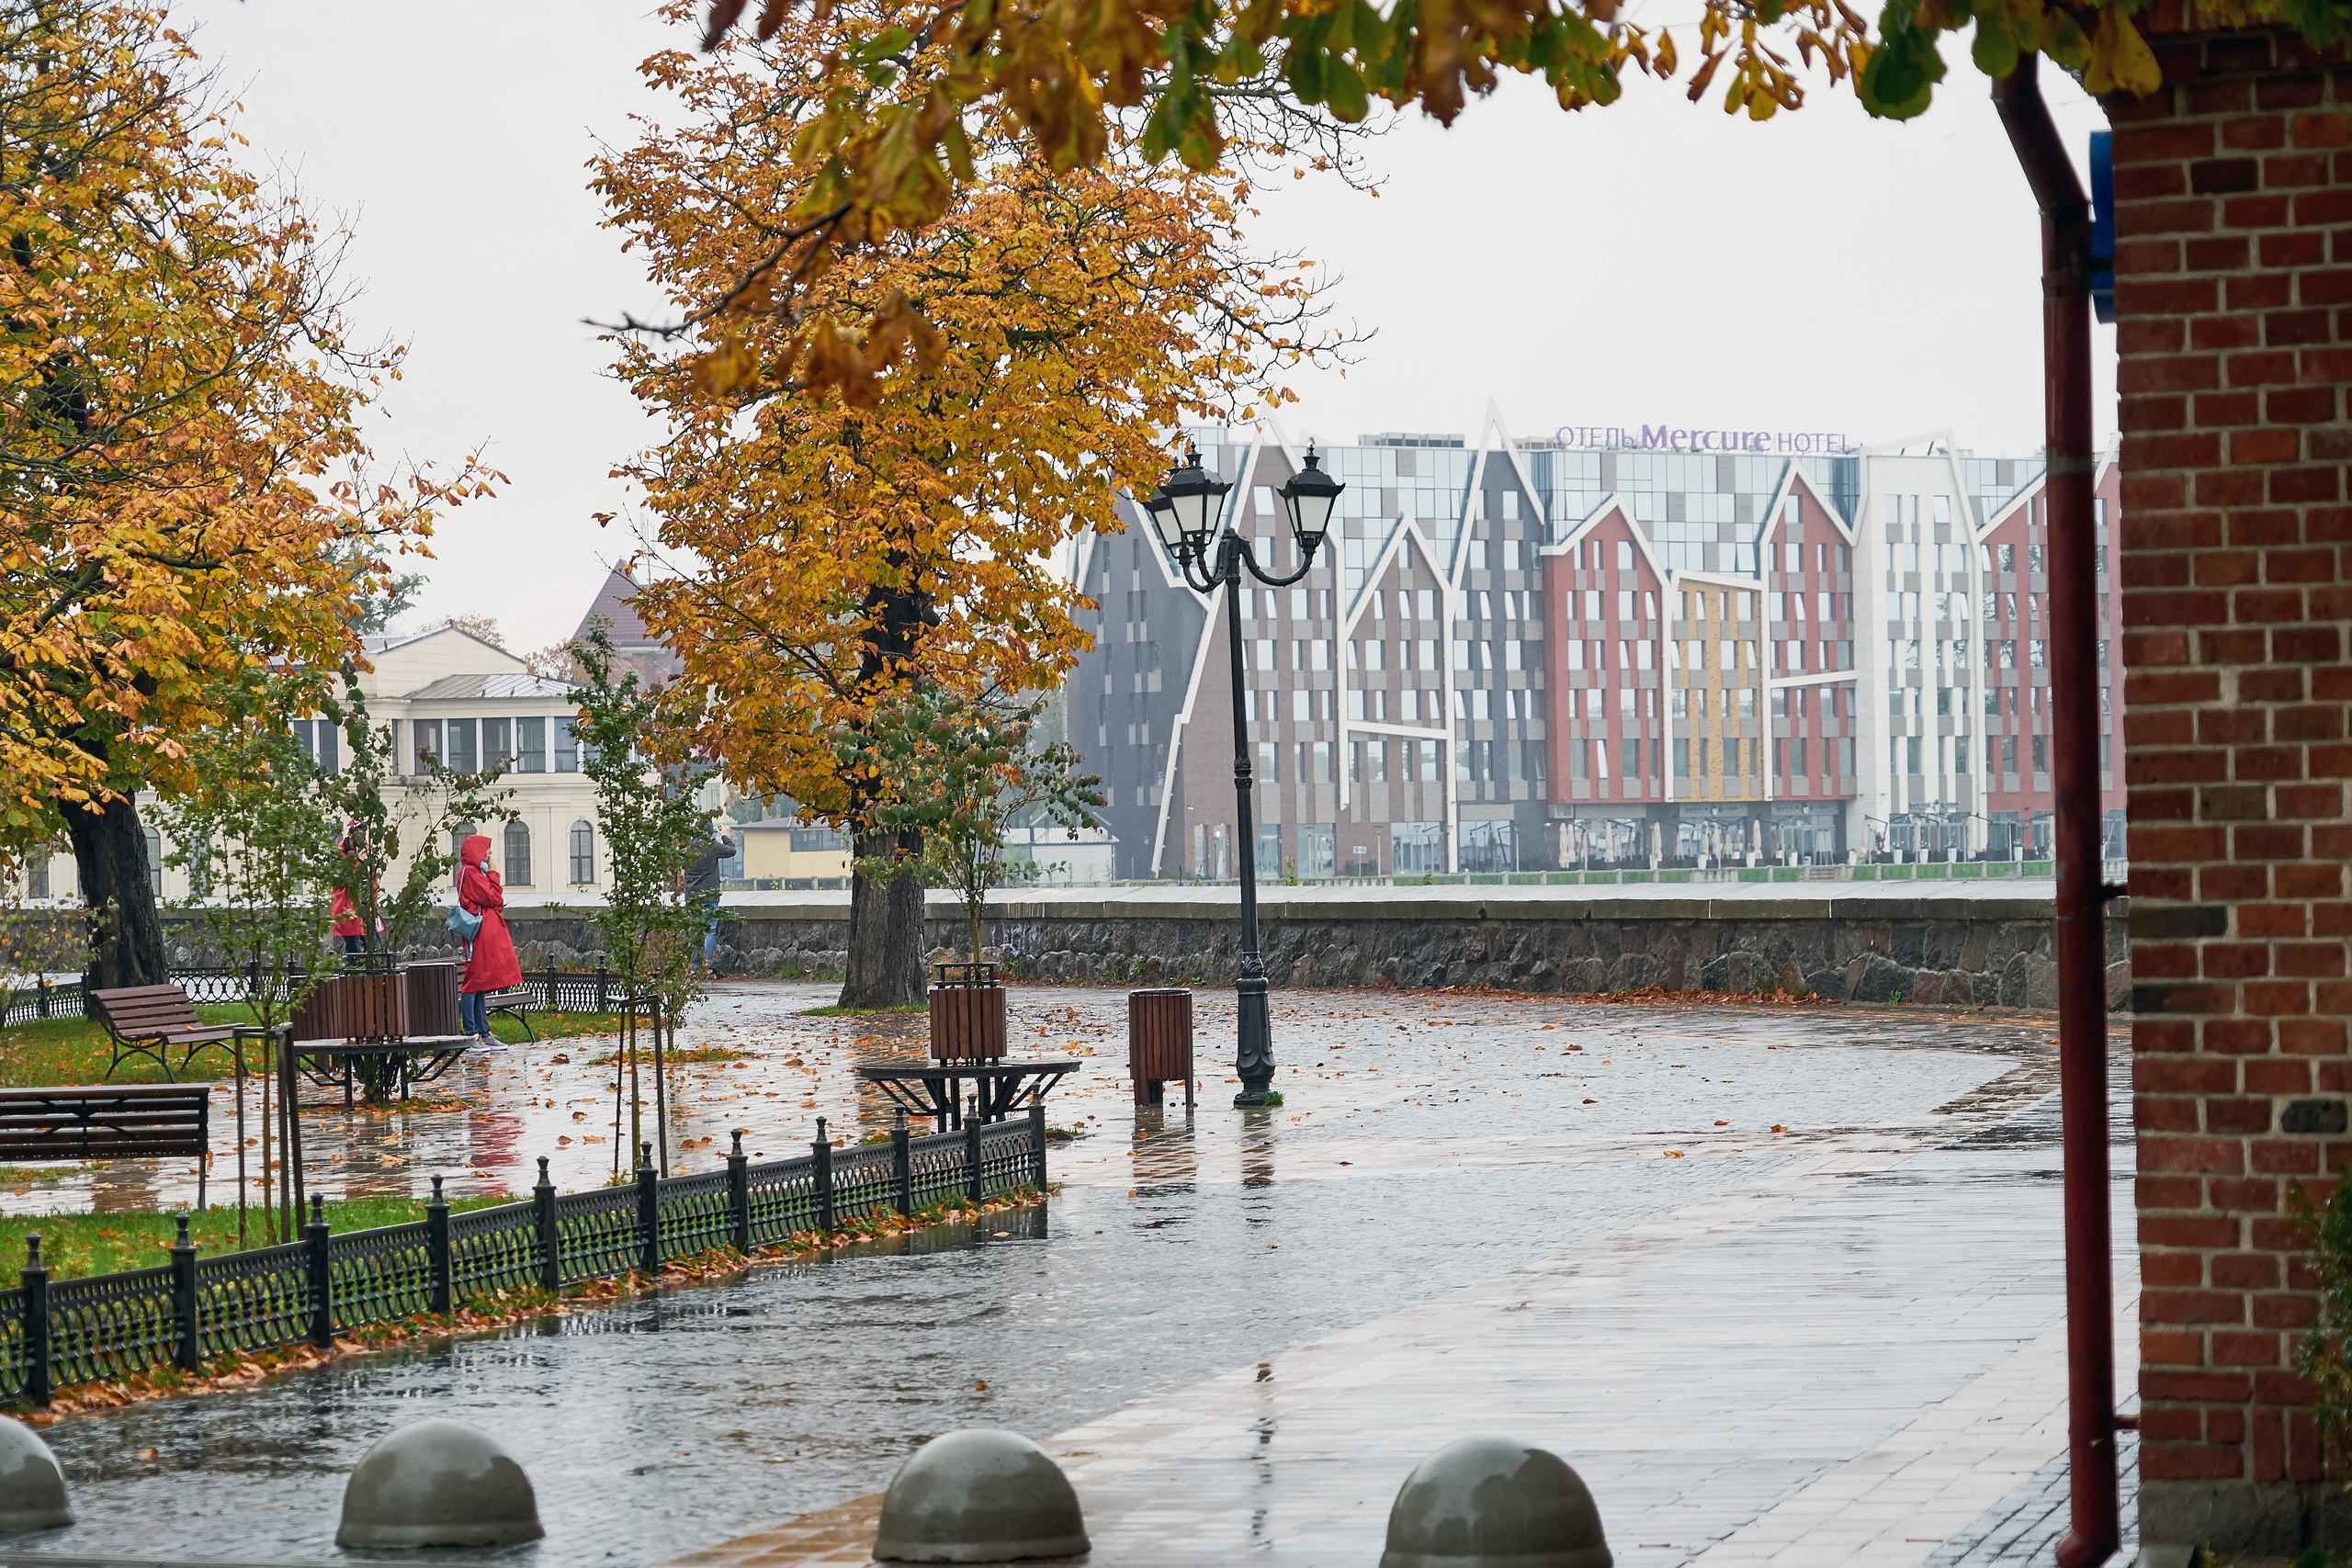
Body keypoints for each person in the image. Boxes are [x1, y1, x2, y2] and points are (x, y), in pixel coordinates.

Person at [457, 834, 520, 1043]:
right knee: (472, 983)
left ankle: (483, 1031)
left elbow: (496, 902)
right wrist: (493, 874)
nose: (490, 854)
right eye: (486, 850)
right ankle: (471, 1033)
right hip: (477, 937)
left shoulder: (476, 873)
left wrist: (491, 878)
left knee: (479, 983)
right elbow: (492, 898)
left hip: (484, 935)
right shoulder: (471, 874)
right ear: (476, 852)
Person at [683, 822, 733, 973]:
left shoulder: (688, 848)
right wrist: (723, 835)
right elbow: (732, 850)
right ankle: (709, 965)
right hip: (710, 895)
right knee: (709, 931)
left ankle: (694, 966)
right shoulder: (712, 846)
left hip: (692, 896)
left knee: (694, 932)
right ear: (710, 832)